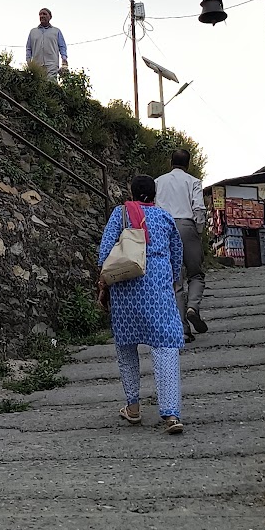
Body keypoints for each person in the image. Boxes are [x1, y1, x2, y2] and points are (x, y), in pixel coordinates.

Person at [96, 174, 186, 431]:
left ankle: (133, 407)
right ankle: (171, 415)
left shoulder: (121, 214)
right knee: (165, 347)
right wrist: (170, 280)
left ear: (131, 193)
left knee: (126, 348)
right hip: (158, 288)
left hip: (126, 286)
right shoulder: (165, 217)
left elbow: (104, 253)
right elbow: (176, 254)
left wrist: (104, 282)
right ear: (155, 194)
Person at [154, 150, 208, 337]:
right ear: (188, 164)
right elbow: (199, 208)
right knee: (196, 274)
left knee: (175, 280)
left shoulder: (158, 182)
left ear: (171, 162)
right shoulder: (193, 182)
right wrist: (198, 231)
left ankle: (183, 329)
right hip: (186, 226)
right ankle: (192, 307)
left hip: (164, 228)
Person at [25, 7, 68, 76]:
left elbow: (62, 46)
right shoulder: (33, 32)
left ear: (50, 17)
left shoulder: (56, 31)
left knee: (51, 82)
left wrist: (64, 59)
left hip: (52, 65)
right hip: (37, 66)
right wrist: (28, 61)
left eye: (44, 14)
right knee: (38, 82)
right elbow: (28, 48)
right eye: (40, 14)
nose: (42, 16)